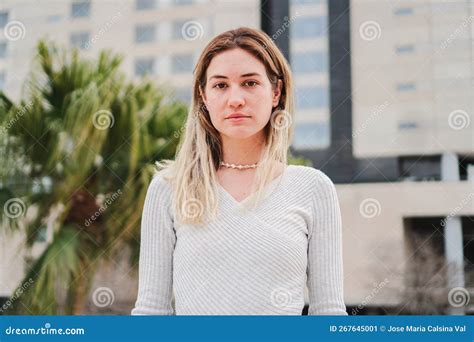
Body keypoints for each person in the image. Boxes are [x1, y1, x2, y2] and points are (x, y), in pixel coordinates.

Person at [131, 27, 347, 315]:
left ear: (276, 92)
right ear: (203, 96)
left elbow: (329, 313)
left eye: (250, 83)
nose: (235, 99)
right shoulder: (169, 188)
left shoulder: (313, 188)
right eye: (220, 85)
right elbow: (151, 312)